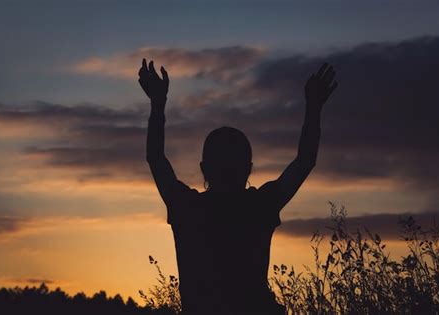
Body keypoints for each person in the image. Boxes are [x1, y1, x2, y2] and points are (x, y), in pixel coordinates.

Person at [139, 58, 337, 315]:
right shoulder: (260, 206)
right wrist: (313, 108)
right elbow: (305, 161)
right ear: (249, 169)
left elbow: (155, 157)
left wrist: (158, 104)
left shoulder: (188, 208)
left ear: (204, 169)